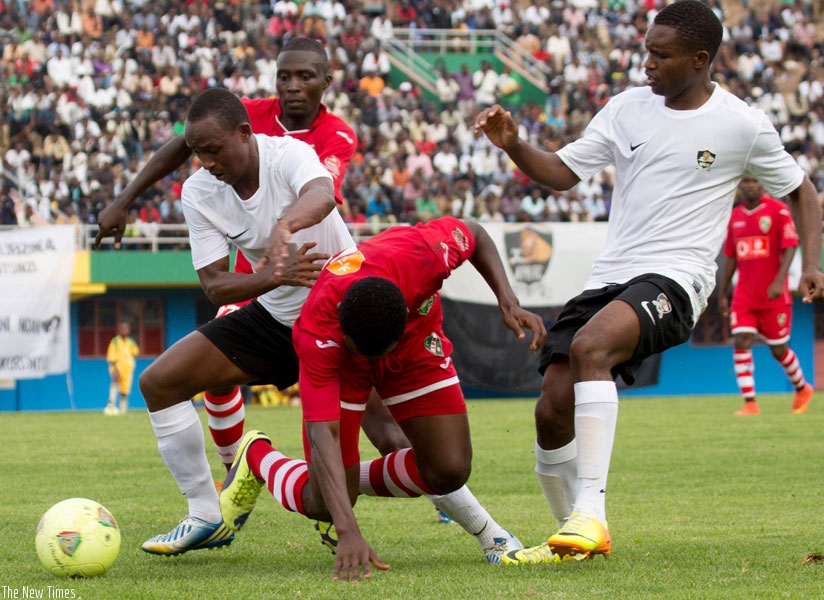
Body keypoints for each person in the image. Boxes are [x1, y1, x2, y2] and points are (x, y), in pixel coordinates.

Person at [473, 0, 824, 564]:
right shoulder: (626, 108)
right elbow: (562, 173)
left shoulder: (742, 123)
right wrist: (514, 143)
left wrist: (810, 264)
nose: (647, 64)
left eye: (661, 55)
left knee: (591, 347)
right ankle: (571, 538)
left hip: (678, 277)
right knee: (551, 408)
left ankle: (591, 514)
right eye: (647, 52)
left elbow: (802, 191)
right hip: (611, 276)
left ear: (699, 59)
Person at [219, 216, 547, 580]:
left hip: (415, 343)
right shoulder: (316, 331)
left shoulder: (423, 254)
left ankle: (339, 481)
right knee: (323, 504)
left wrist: (508, 301)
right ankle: (258, 457)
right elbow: (322, 433)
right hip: (345, 366)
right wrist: (347, 529)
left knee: (449, 468)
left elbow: (476, 233)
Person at [718, 176, 814, 416]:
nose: (751, 185)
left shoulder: (778, 211)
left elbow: (791, 245)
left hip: (773, 295)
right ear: (740, 185)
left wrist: (779, 281)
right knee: (742, 340)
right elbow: (731, 257)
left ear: (762, 184)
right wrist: (722, 292)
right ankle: (750, 403)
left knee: (778, 350)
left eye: (755, 181)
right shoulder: (734, 217)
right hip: (744, 295)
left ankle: (802, 388)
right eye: (746, 181)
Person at [104, 321, 139, 415]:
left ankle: (123, 411)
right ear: (119, 330)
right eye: (123, 328)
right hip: (118, 366)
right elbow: (111, 355)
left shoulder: (130, 342)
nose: (124, 330)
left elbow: (136, 353)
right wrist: (114, 367)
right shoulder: (115, 341)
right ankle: (111, 406)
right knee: (115, 380)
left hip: (128, 368)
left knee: (125, 389)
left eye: (126, 328)